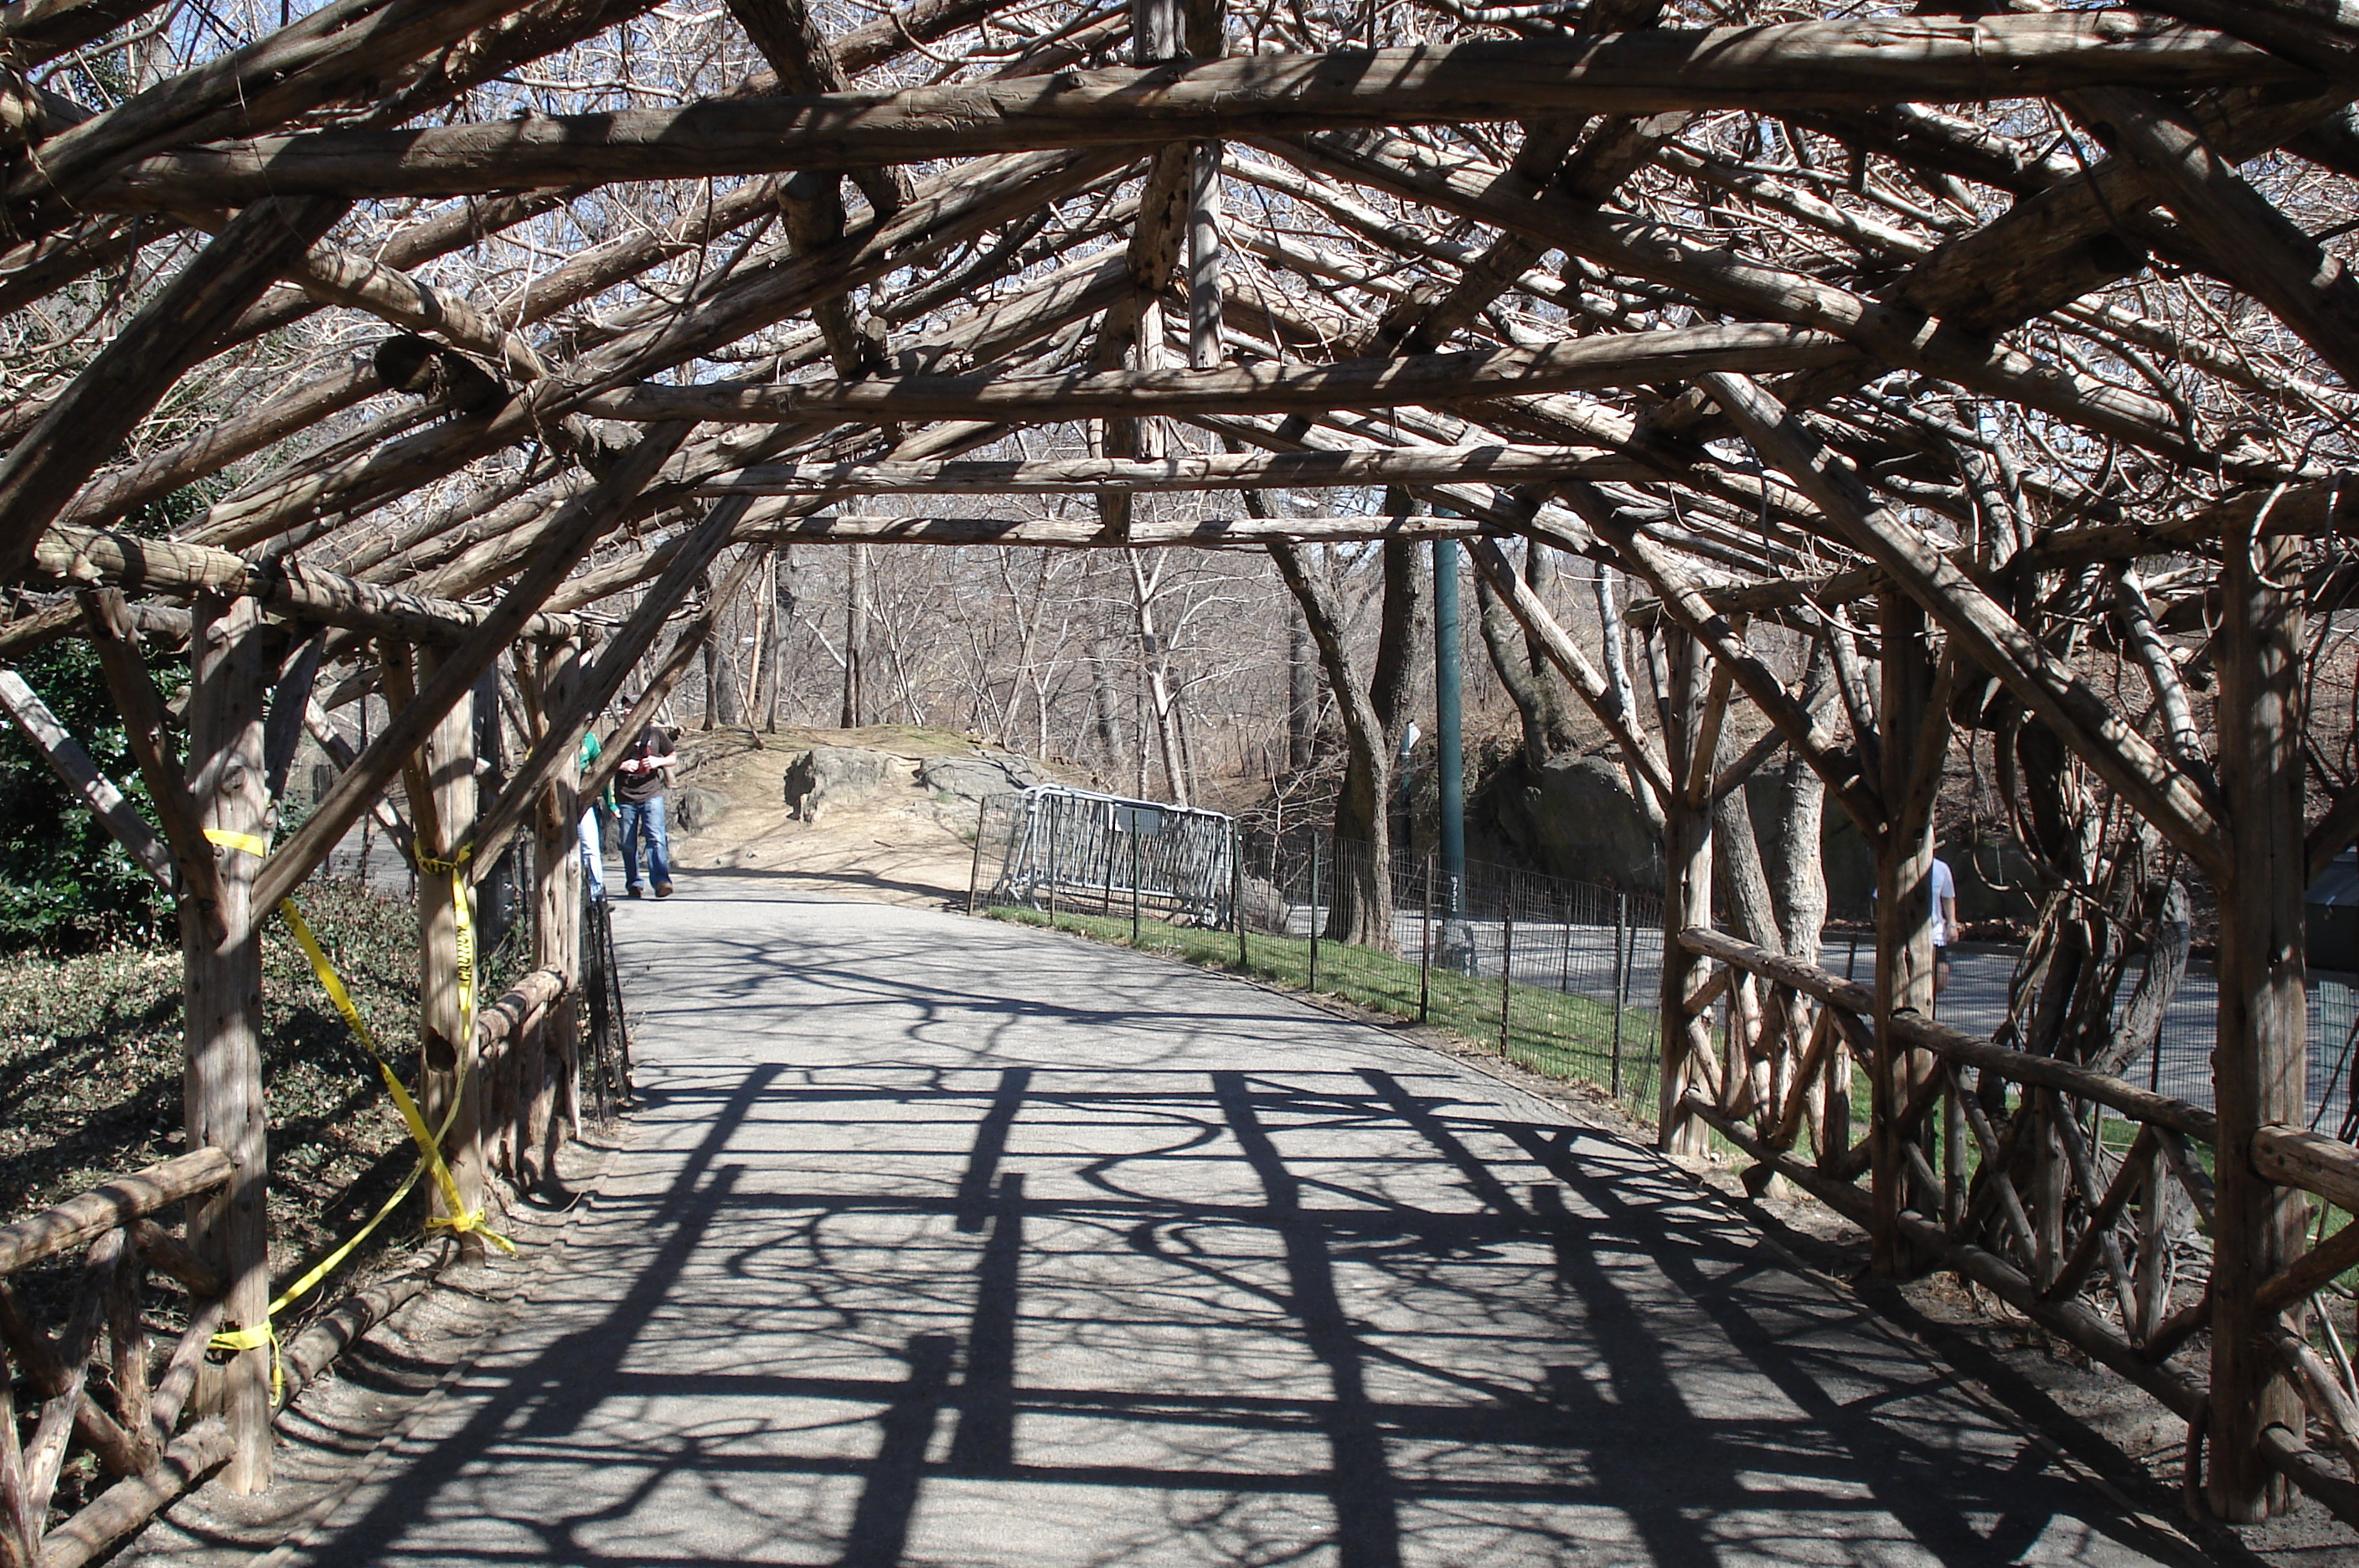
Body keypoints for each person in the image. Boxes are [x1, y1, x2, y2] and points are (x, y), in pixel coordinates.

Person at [613, 708, 677, 899]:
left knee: (656, 838)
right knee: (628, 843)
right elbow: (601, 762)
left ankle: (661, 882)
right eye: (624, 707)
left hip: (651, 794)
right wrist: (621, 765)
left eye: (631, 707)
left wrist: (658, 762)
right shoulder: (616, 737)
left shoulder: (655, 733)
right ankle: (634, 883)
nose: (627, 711)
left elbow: (672, 757)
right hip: (625, 797)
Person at [577, 725, 610, 901]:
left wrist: (610, 803)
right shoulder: (553, 738)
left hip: (583, 801)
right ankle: (577, 894)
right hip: (557, 801)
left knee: (590, 847)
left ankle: (596, 894)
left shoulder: (589, 739)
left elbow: (601, 770)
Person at [1930, 854, 1959, 1003]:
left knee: (1940, 980)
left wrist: (1952, 924)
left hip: (1935, 933)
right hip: (1909, 935)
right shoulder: (1899, 865)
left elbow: (1948, 897)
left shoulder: (1941, 868)